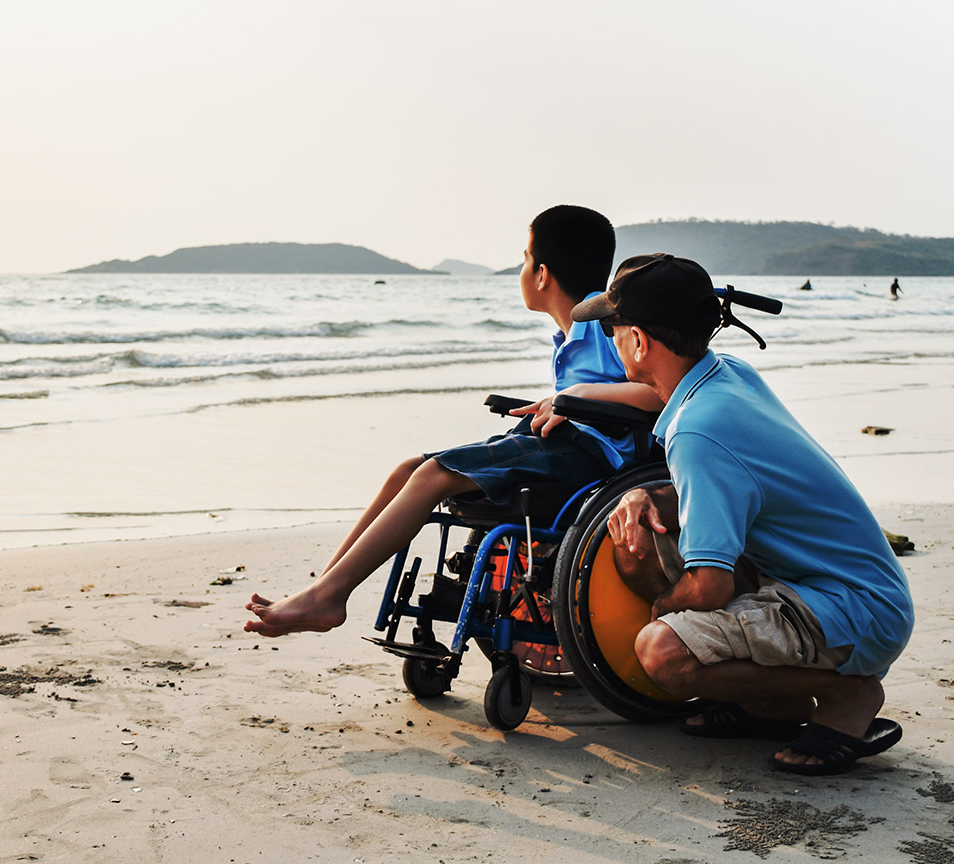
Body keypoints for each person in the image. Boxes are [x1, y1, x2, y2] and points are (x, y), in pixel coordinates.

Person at [244, 205, 663, 637]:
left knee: (432, 476)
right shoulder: (575, 332)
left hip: (590, 459)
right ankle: (324, 590)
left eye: (524, 259)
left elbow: (657, 392)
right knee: (407, 470)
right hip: (563, 442)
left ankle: (327, 597)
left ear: (542, 275)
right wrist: (562, 400)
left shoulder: (606, 327)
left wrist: (573, 396)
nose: (521, 269)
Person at [570, 253, 914, 776]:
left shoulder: (698, 429)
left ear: (639, 341)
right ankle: (776, 703)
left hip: (853, 607)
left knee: (662, 652)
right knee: (636, 531)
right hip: (823, 583)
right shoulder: (726, 374)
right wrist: (651, 497)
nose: (611, 339)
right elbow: (736, 485)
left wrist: (663, 609)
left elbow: (709, 588)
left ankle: (848, 695)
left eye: (614, 328)